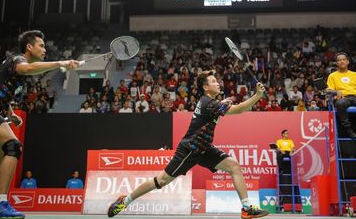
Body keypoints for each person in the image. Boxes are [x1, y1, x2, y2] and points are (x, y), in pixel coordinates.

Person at [107, 70, 269, 219]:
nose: (218, 83)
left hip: (203, 147)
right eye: (213, 81)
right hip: (190, 149)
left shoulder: (210, 102)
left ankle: (246, 209)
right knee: (161, 181)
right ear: (206, 87)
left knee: (233, 166)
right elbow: (238, 110)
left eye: (217, 80)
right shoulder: (208, 103)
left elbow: (221, 110)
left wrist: (225, 103)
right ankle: (125, 201)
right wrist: (257, 95)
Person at [0, 30, 79, 219]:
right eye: (41, 45)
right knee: (13, 147)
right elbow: (28, 69)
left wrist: (11, 114)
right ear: (29, 47)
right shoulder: (17, 60)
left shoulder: (19, 75)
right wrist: (61, 63)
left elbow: (1, 93)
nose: (45, 49)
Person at [326, 52, 356, 138]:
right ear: (337, 63)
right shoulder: (332, 76)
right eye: (339, 60)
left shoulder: (355, 74)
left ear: (347, 62)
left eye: (343, 59)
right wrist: (336, 92)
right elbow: (328, 89)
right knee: (340, 104)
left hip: (355, 97)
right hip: (343, 98)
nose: (341, 61)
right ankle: (348, 130)